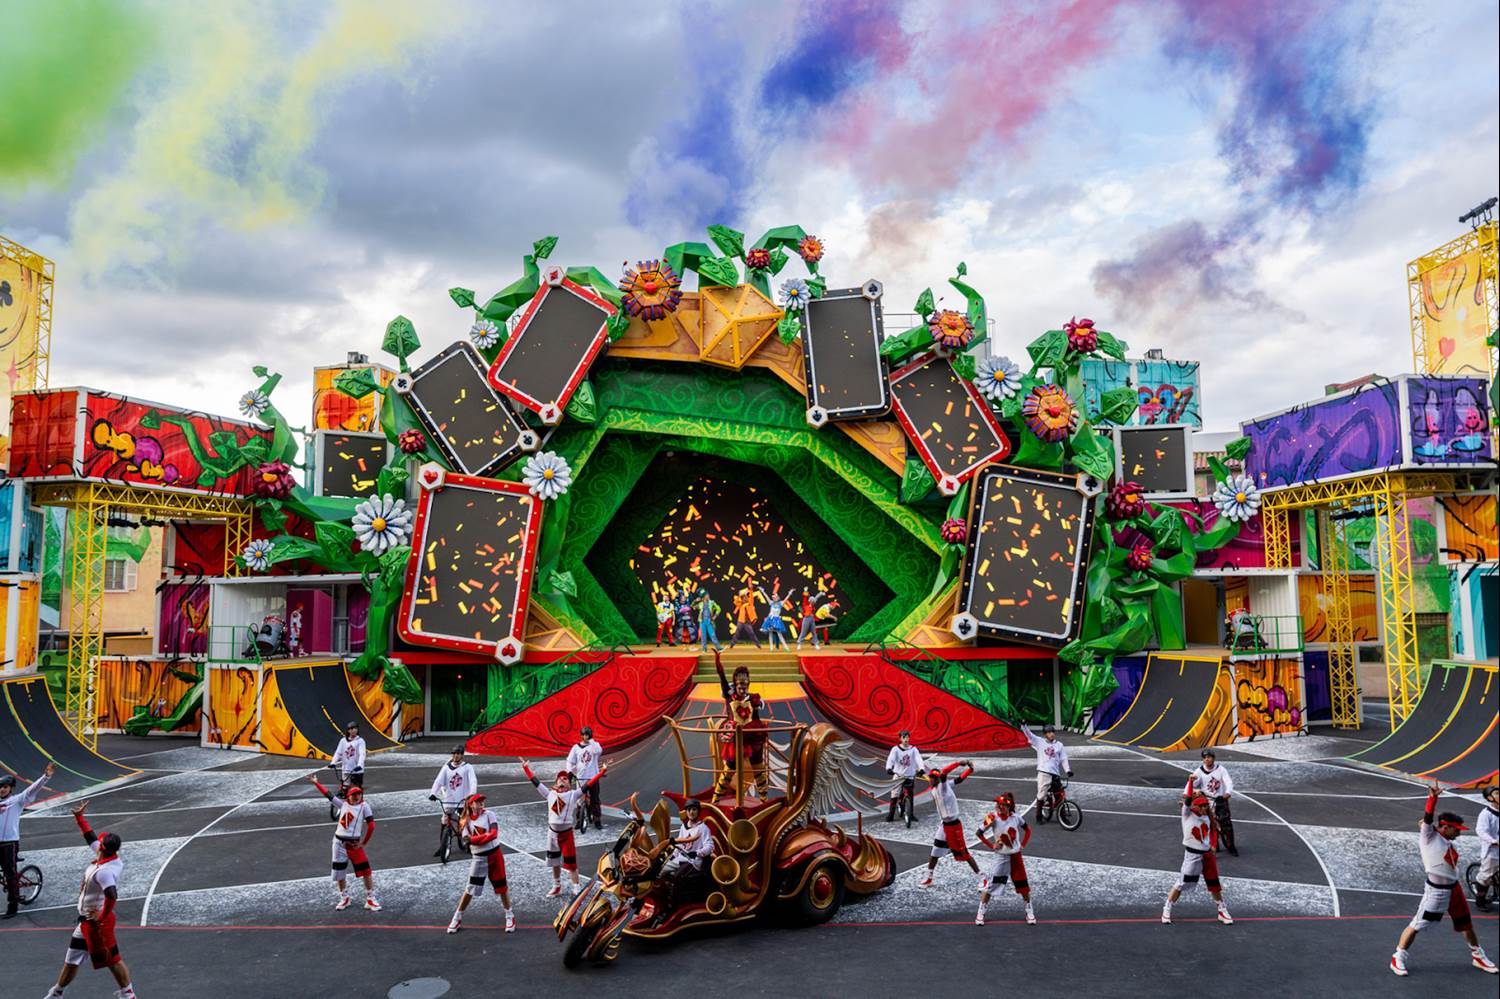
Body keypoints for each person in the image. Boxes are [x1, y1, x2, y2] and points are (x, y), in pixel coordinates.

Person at [1390, 782, 1497, 976]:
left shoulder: (1446, 840)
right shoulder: (1429, 837)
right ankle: (1398, 956)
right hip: (1437, 891)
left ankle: (1477, 955)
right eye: (1456, 829)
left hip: (1454, 889)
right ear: (1445, 827)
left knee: (1465, 922)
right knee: (1418, 924)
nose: (1459, 833)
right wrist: (1433, 798)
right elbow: (1428, 818)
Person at [40, 801, 137, 999]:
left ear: (102, 847)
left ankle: (129, 995)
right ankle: (57, 993)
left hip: (96, 924)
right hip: (86, 922)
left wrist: (102, 916)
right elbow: (90, 837)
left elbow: (112, 895)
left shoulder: (105, 871)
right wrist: (79, 818)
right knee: (72, 959)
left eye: (99, 843)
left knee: (112, 959)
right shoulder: (109, 857)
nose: (96, 843)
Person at [521, 758, 607, 897]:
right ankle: (556, 886)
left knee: (571, 863)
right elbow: (535, 782)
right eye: (560, 778)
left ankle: (576, 887)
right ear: (556, 782)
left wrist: (601, 772)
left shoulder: (573, 794)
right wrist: (526, 768)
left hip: (567, 835)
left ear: (569, 784)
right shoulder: (549, 794)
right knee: (554, 862)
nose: (562, 779)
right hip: (552, 834)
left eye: (565, 778)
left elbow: (589, 784)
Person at [1161, 778, 1232, 926]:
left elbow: (1213, 830)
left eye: (1205, 805)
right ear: (1195, 805)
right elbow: (1187, 799)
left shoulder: (1207, 816)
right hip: (1192, 855)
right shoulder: (1187, 814)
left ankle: (1222, 910)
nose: (1204, 808)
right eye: (1201, 805)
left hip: (1207, 855)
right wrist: (1190, 782)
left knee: (1214, 883)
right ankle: (1167, 907)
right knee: (1182, 883)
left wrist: (1213, 845)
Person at [309, 776, 381, 911]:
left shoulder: (364, 806)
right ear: (349, 796)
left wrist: (363, 843)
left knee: (366, 870)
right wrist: (316, 783)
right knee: (339, 872)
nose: (357, 796)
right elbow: (328, 795)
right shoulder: (343, 805)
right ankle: (344, 898)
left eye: (359, 794)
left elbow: (371, 825)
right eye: (354, 794)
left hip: (354, 845)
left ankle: (370, 898)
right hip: (339, 843)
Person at [446, 793, 514, 935]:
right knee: (470, 888)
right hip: (479, 858)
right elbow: (467, 840)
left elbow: (494, 834)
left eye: (482, 800)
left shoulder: (490, 815)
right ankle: (457, 917)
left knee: (502, 887)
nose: (481, 802)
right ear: (471, 804)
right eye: (478, 801)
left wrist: (476, 839)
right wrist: (483, 837)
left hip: (495, 855)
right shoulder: (464, 820)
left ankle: (510, 916)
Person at [712, 653, 772, 799]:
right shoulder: (730, 696)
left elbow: (756, 716)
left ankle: (764, 799)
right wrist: (718, 662)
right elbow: (722, 678)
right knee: (729, 770)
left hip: (753, 738)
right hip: (736, 739)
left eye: (745, 686)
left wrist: (759, 729)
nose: (742, 689)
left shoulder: (753, 698)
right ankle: (716, 798)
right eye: (740, 686)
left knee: (758, 769)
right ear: (735, 685)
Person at [2, 762, 54, 919]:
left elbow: (32, 789)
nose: (2, 789)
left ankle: (13, 905)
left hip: (9, 843)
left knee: (10, 875)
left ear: (11, 788)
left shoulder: (17, 800)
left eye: (6, 787)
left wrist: (45, 777)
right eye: (0, 787)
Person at [975, 792, 1034, 925]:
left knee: (1023, 885)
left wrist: (1023, 844)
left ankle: (1029, 910)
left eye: (1002, 805)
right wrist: (991, 845)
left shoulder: (1016, 818)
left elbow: (1028, 830)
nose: (999, 807)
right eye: (998, 804)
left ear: (1009, 807)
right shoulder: (992, 818)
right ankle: (981, 911)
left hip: (1016, 856)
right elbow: (979, 833)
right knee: (992, 884)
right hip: (1001, 857)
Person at [918, 760, 980, 886]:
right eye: (931, 777)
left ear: (938, 779)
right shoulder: (936, 787)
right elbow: (959, 780)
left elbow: (945, 772)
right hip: (944, 825)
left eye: (934, 777)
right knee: (935, 852)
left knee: (964, 853)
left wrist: (959, 763)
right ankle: (929, 877)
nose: (932, 779)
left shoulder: (943, 786)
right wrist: (970, 770)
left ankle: (982, 877)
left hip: (954, 825)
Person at [654, 799, 714, 925]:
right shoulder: (683, 827)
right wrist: (672, 857)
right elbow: (679, 845)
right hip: (680, 858)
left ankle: (673, 909)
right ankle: (660, 904)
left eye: (694, 809)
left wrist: (697, 853)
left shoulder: (703, 828)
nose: (691, 812)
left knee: (678, 877)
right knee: (658, 872)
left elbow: (710, 847)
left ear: (698, 811)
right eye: (689, 810)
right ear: (686, 812)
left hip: (693, 862)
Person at [428, 745, 477, 860]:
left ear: (462, 755)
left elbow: (473, 781)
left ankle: (470, 843)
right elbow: (438, 781)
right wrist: (433, 793)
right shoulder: (446, 767)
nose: (456, 756)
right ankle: (442, 846)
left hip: (463, 800)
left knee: (466, 822)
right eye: (454, 753)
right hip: (449, 800)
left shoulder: (467, 767)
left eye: (458, 753)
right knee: (445, 821)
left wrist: (472, 793)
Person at [1192, 748, 1237, 855]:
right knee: (1209, 824)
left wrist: (1228, 793)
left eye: (1209, 757)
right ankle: (1214, 844)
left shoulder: (1221, 769)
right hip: (1206, 802)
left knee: (1226, 824)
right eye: (1205, 758)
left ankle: (1231, 846)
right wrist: (1193, 787)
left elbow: (1228, 782)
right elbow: (1192, 784)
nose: (1207, 759)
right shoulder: (1199, 771)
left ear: (1213, 758)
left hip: (1220, 800)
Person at [1021, 722, 1072, 814]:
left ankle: (1063, 816)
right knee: (1041, 796)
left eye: (1052, 732)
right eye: (1049, 732)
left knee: (1059, 796)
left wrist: (1068, 770)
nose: (1051, 734)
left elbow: (1063, 758)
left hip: (1055, 774)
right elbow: (1029, 735)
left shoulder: (1059, 745)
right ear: (1045, 734)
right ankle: (1039, 816)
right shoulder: (1040, 742)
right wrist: (1024, 726)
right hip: (1044, 773)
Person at [567, 726, 605, 830]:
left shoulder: (595, 745)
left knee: (595, 799)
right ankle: (579, 821)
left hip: (593, 777)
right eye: (584, 735)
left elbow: (598, 751)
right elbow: (570, 761)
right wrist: (571, 772)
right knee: (579, 799)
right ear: (581, 735)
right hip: (581, 777)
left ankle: (597, 820)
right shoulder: (576, 748)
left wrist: (591, 741)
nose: (586, 737)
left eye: (588, 735)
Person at [884, 731, 925, 822]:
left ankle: (911, 814)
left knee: (910, 795)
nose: (906, 739)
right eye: (904, 737)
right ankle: (891, 815)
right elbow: (891, 759)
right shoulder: (895, 749)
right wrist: (889, 768)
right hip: (898, 775)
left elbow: (918, 759)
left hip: (909, 776)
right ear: (900, 739)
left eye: (907, 737)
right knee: (894, 795)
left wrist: (921, 768)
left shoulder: (913, 749)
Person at [1476, 785, 1499, 910]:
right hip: (1492, 850)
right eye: (1497, 794)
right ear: (1490, 798)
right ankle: (1480, 901)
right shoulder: (1486, 814)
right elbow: (1481, 831)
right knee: (1485, 877)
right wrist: (1493, 841)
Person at [331, 720, 367, 793]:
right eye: (352, 728)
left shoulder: (360, 741)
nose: (354, 730)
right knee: (344, 789)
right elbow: (338, 753)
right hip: (346, 770)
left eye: (355, 728)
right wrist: (333, 762)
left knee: (356, 791)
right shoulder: (343, 741)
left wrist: (360, 765)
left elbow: (362, 754)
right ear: (348, 730)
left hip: (356, 770)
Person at [757, 584, 790, 651]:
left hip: (777, 620)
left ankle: (786, 647)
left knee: (779, 634)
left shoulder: (781, 603)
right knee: (770, 633)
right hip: (770, 619)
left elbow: (786, 599)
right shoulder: (771, 603)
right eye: (773, 598)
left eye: (775, 597)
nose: (774, 598)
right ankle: (771, 648)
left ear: (778, 598)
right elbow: (766, 597)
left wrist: (789, 593)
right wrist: (762, 591)